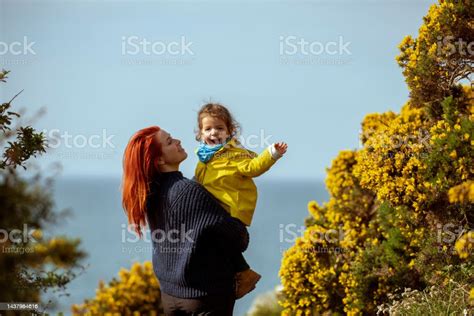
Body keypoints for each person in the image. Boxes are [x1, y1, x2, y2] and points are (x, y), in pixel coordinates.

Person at [122, 126, 249, 315]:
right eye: (169, 141)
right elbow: (239, 239)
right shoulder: (190, 191)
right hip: (205, 298)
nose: (178, 141)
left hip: (170, 296)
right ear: (159, 160)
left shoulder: (149, 195)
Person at [194, 103, 288, 299]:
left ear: (230, 131)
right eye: (208, 128)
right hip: (213, 210)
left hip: (231, 210)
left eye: (219, 128)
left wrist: (272, 154)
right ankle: (228, 276)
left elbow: (253, 167)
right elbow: (198, 181)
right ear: (200, 133)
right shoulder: (204, 158)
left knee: (213, 236)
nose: (214, 133)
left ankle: (244, 274)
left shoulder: (235, 154)